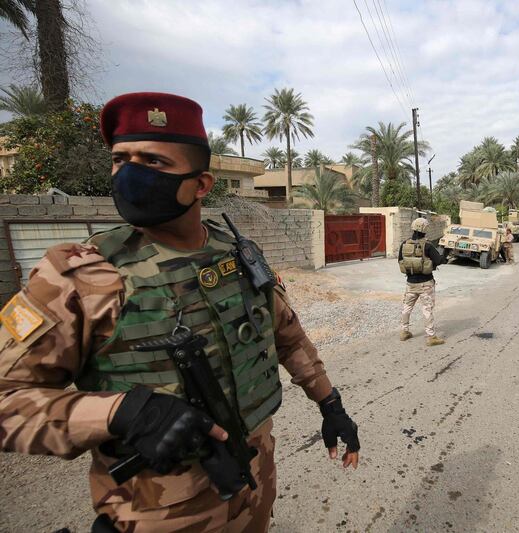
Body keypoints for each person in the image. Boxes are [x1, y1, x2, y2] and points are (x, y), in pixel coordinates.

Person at [0, 92, 360, 532]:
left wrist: (330, 404)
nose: (129, 174)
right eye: (120, 159)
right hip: (157, 508)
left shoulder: (236, 253)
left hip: (254, 477)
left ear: (202, 185)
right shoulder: (77, 275)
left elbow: (285, 334)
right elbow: (8, 399)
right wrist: (123, 412)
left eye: (153, 163)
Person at [398, 217, 446, 346]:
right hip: (426, 283)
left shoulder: (404, 244)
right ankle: (431, 337)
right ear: (425, 229)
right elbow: (439, 260)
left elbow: (400, 261)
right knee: (427, 309)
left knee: (407, 307)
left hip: (410, 283)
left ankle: (404, 332)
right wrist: (444, 253)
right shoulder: (428, 245)